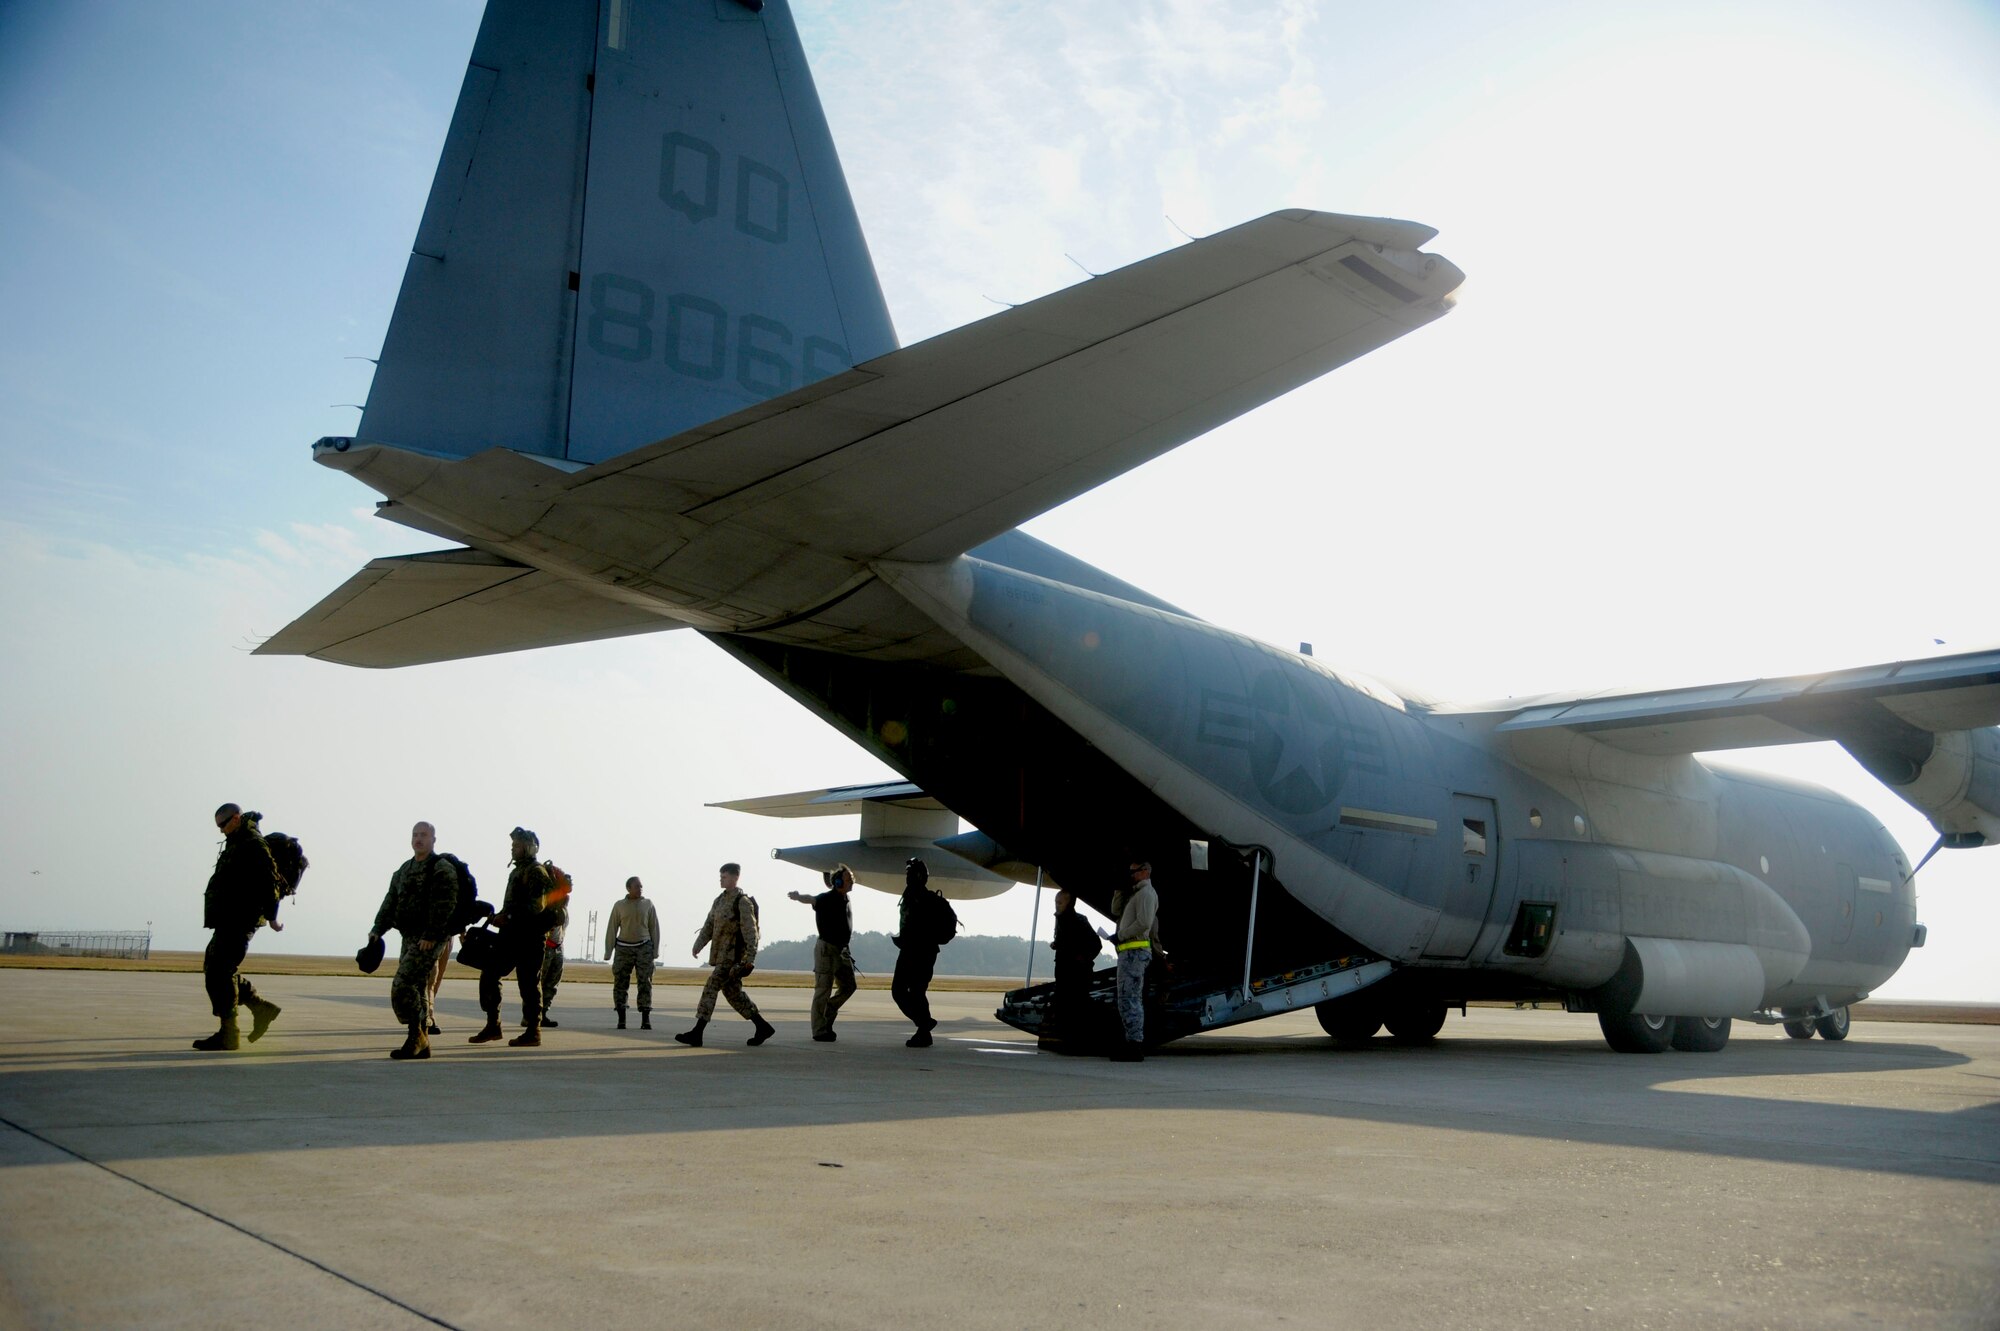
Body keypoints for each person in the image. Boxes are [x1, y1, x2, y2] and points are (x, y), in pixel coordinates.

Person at [193, 803, 288, 1051]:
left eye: (223, 824)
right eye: (218, 826)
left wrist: (273, 918)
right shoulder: (237, 841)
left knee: (219, 971)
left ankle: (230, 1033)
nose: (221, 830)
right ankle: (260, 1008)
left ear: (236, 818)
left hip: (241, 918)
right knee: (217, 968)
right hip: (228, 918)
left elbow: (270, 882)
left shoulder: (253, 843)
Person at [368, 821, 459, 1061]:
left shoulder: (441, 868)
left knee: (403, 983)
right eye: (415, 835)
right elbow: (390, 901)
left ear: (433, 840)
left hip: (430, 938)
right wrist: (378, 929)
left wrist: (431, 935)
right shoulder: (404, 870)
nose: (419, 839)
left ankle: (416, 1034)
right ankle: (421, 1041)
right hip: (408, 936)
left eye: (424, 835)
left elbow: (445, 904)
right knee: (417, 986)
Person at [469, 827, 555, 1048]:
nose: (513, 849)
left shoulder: (536, 872)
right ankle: (492, 1025)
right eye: (513, 845)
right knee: (489, 974)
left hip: (530, 937)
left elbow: (536, 906)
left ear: (529, 848)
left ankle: (533, 1031)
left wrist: (508, 915)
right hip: (510, 936)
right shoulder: (518, 871)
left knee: (528, 983)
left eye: (517, 845)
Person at [676, 863, 774, 1048]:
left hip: (733, 958)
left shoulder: (742, 902)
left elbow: (750, 931)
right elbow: (709, 925)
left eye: (725, 876)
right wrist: (698, 945)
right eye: (720, 876)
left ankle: (697, 1033)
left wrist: (750, 959)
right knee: (733, 994)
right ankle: (762, 1026)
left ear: (735, 877)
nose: (721, 879)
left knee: (711, 986)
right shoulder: (719, 901)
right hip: (720, 956)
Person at [787, 864, 857, 1042]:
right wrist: (797, 897)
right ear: (838, 881)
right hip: (826, 950)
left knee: (849, 986)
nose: (852, 882)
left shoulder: (846, 899)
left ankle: (829, 1011)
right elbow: (811, 899)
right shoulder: (827, 898)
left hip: (842, 950)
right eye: (849, 879)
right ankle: (819, 1030)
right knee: (822, 990)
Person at [891, 857, 955, 1048]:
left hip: (919, 952)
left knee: (909, 991)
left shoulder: (922, 899)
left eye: (911, 873)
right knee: (910, 991)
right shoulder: (913, 897)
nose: (908, 877)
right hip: (917, 951)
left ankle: (923, 1027)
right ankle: (924, 1027)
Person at [1106, 860, 1161, 1061]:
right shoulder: (1135, 893)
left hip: (1135, 952)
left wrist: (1120, 936)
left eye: (1134, 872)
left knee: (1131, 999)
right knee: (1125, 999)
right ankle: (1130, 1041)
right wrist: (1120, 890)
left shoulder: (1147, 894)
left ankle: (1135, 1045)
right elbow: (1115, 911)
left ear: (1145, 872)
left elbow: (1143, 923)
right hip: (1128, 954)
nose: (1131, 875)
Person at [1046, 888, 1102, 1044]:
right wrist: (1057, 944)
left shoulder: (1080, 921)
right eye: (1055, 902)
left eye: (1059, 902)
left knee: (1078, 1006)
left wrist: (1083, 958)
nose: (1056, 905)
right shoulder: (1060, 920)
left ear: (1069, 903)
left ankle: (1078, 1040)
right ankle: (1067, 1038)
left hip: (1078, 974)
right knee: (1063, 1005)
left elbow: (1096, 944)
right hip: (1064, 971)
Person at [604, 876, 660, 1029]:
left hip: (644, 947)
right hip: (623, 948)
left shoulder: (648, 904)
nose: (640, 889)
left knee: (645, 982)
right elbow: (612, 928)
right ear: (628, 888)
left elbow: (654, 928)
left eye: (641, 886)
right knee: (620, 982)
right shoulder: (619, 906)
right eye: (637, 886)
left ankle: (645, 1018)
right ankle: (621, 1018)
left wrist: (655, 951)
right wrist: (608, 951)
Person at [538, 919, 566, 1027]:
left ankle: (543, 1013)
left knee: (553, 982)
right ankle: (530, 1016)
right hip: (545, 945)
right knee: (538, 981)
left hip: (558, 946)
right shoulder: (546, 905)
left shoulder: (563, 909)